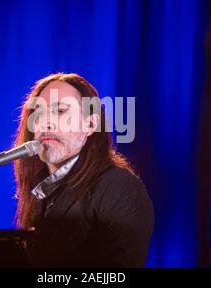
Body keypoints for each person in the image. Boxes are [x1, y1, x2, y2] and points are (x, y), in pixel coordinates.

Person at [13, 73, 154, 267]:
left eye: (61, 111)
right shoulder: (41, 194)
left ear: (90, 124)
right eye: (38, 113)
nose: (47, 122)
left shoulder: (119, 186)